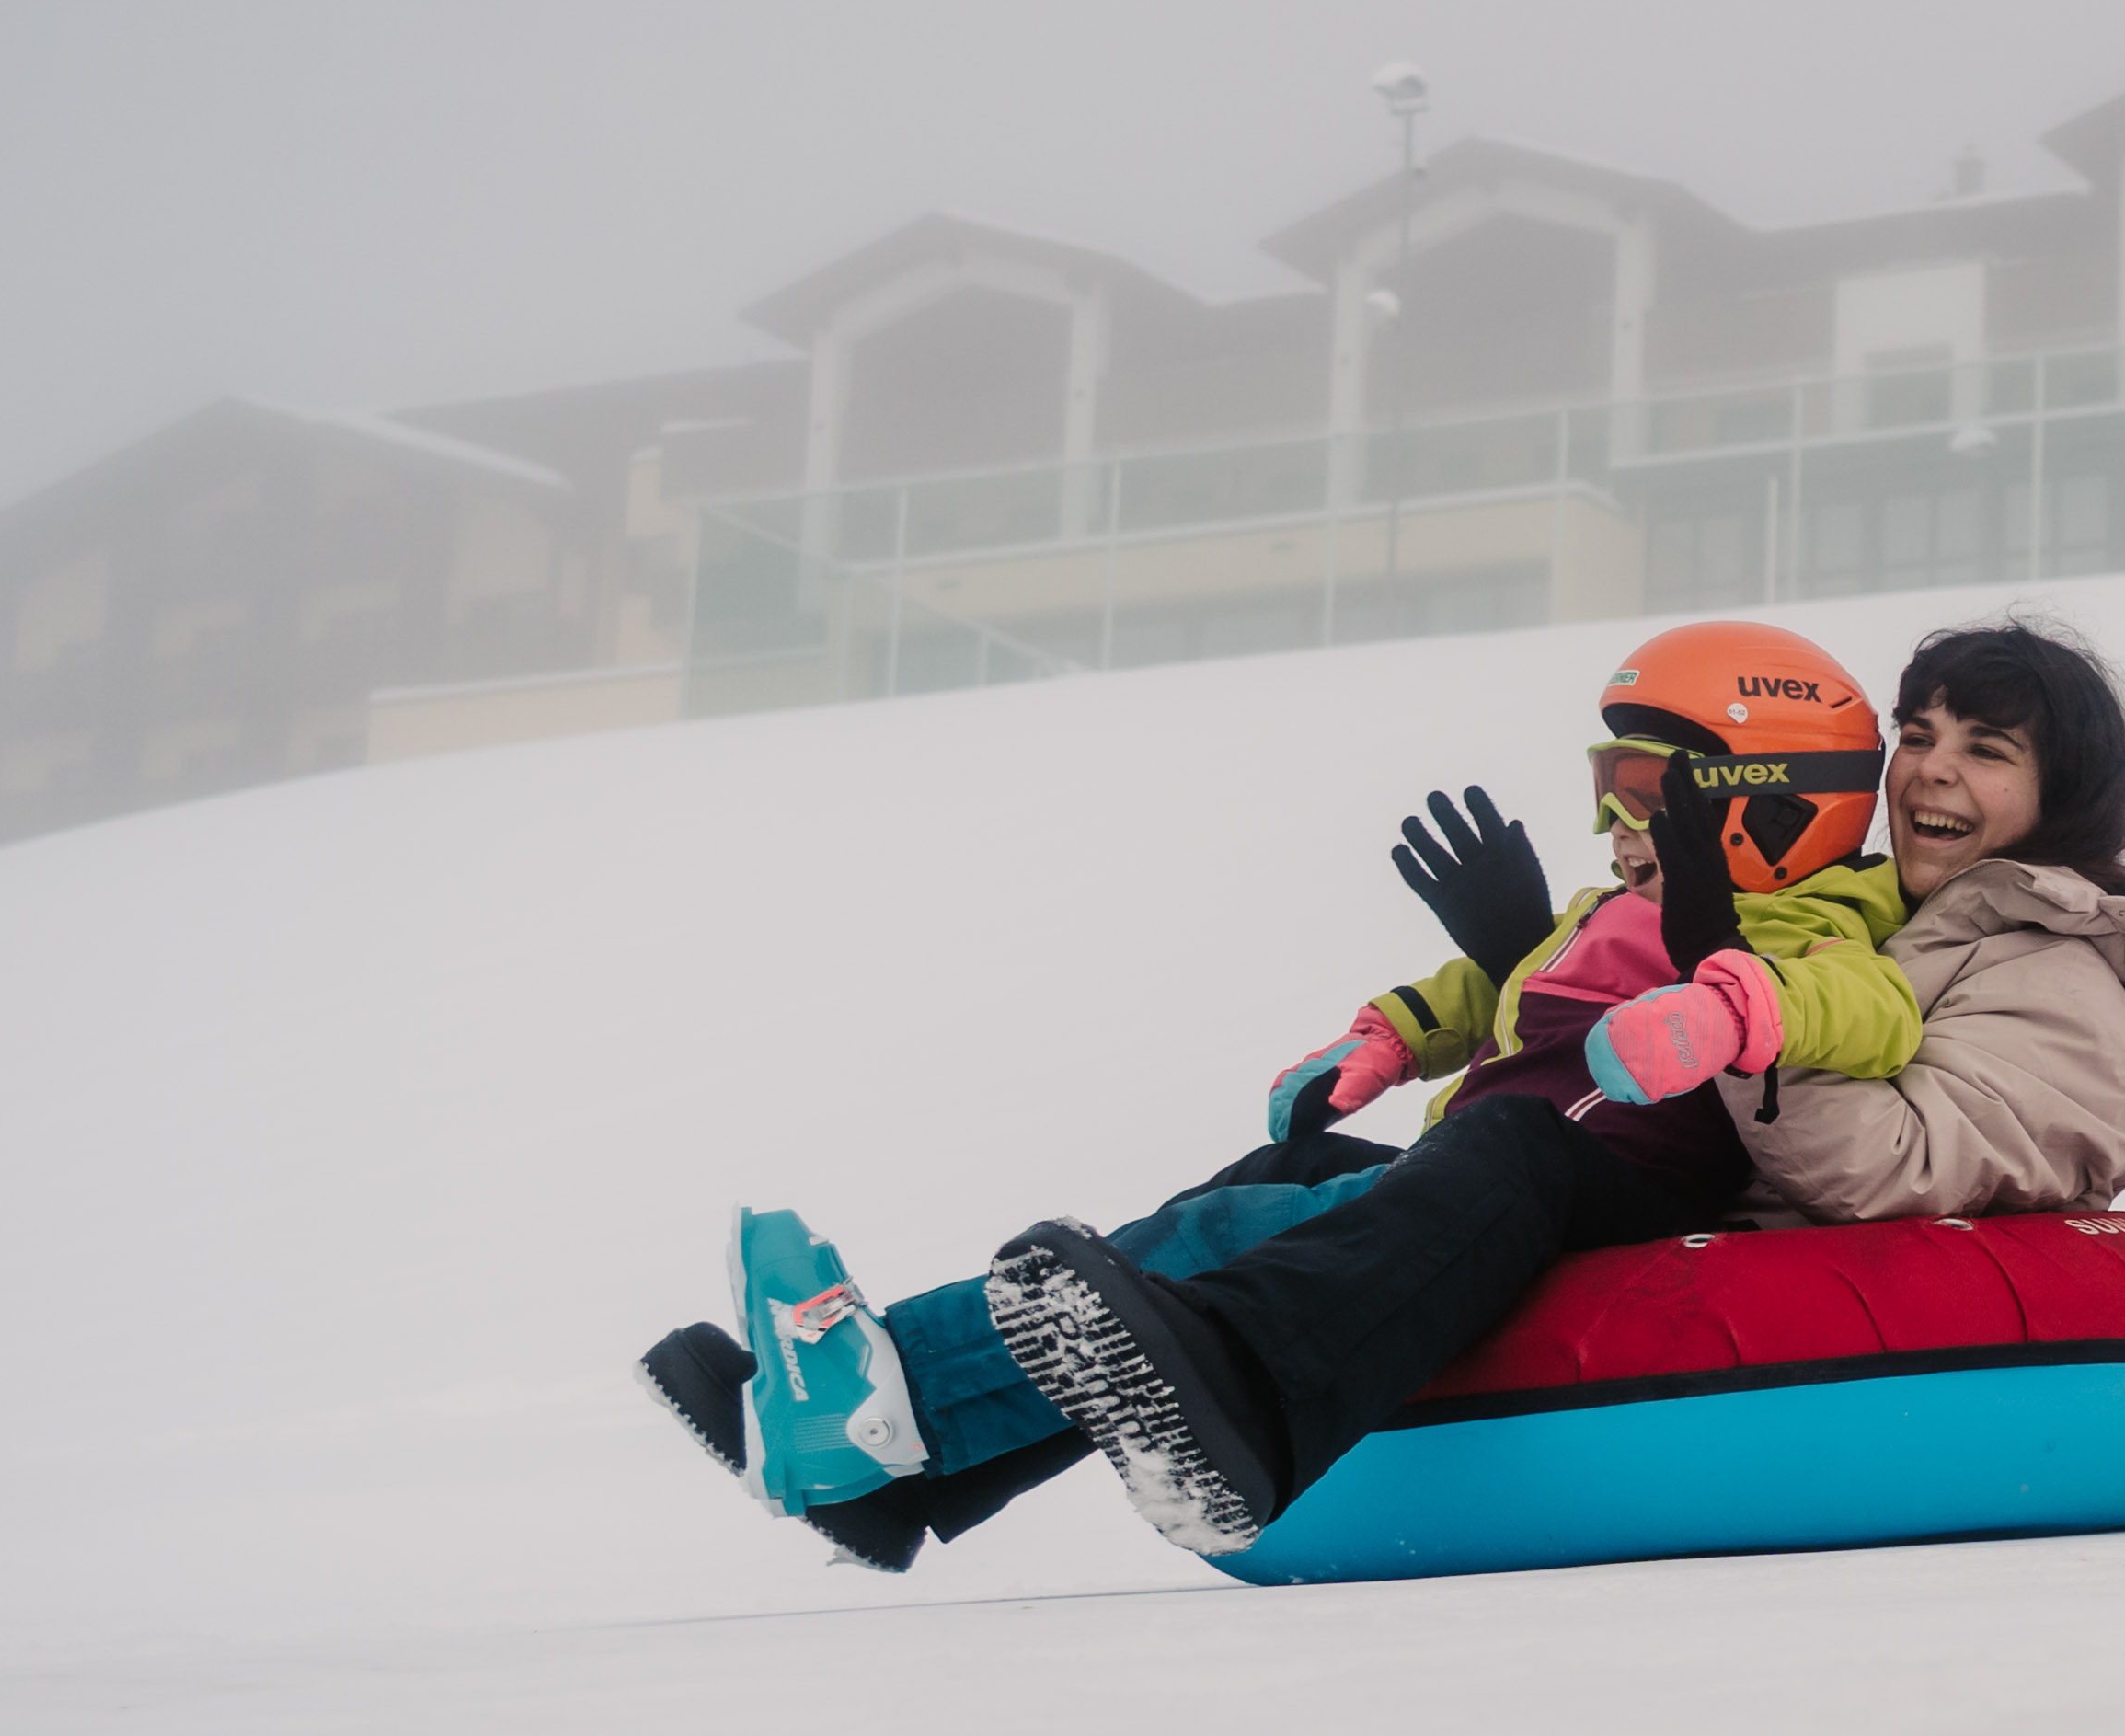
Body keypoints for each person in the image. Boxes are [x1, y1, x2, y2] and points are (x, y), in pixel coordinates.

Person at [635, 620, 1924, 1569]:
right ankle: (879, 1451)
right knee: (1222, 1217)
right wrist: (1377, 1045)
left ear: (1759, 805)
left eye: (1645, 794)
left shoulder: (1831, 917)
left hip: (1615, 1187)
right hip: (1475, 1178)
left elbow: (1862, 1015)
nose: (1617, 826)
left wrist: (1723, 989)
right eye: (1608, 789)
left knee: (1500, 1146)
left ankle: (1242, 1408)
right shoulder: (1605, 913)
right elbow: (1496, 999)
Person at [1717, 617, 2125, 1229]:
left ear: (2062, 796)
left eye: (1986, 750)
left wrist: (1741, 994)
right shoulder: (1873, 921)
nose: (1932, 768)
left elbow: (1895, 1168)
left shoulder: (2063, 984)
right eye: (1917, 737)